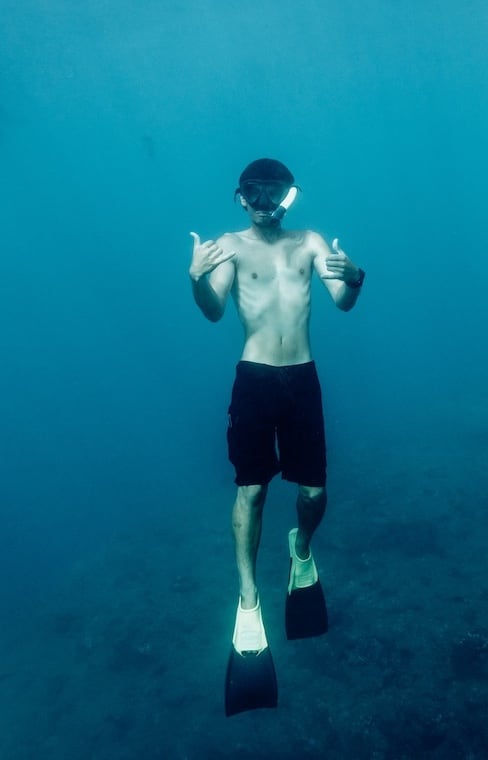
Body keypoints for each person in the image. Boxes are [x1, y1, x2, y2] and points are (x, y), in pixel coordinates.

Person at [189, 158, 365, 714]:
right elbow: (214, 312)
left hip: (302, 381)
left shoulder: (309, 242)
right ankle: (248, 596)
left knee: (312, 493)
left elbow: (342, 300)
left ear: (288, 197)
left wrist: (355, 276)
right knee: (253, 491)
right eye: (254, 192)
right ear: (240, 198)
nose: (264, 200)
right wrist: (196, 278)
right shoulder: (229, 247)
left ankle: (301, 549)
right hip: (255, 379)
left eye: (274, 191)